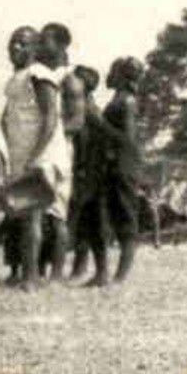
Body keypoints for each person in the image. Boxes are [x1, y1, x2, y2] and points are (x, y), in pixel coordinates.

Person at [0, 26, 67, 291]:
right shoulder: (15, 79)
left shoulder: (40, 74)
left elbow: (51, 116)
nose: (16, 48)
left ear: (36, 49)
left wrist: (36, 156)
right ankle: (29, 272)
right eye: (13, 43)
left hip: (42, 154)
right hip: (23, 154)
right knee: (27, 214)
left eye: (23, 43)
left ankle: (32, 277)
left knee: (34, 214)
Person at [89, 57, 144, 285]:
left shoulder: (127, 101)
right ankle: (102, 274)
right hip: (110, 164)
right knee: (100, 217)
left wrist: (98, 123)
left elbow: (127, 140)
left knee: (125, 218)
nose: (108, 75)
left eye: (113, 71)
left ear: (122, 75)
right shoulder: (118, 99)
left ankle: (120, 277)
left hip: (123, 166)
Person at [39, 23, 83, 278]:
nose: (40, 46)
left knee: (56, 214)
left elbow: (76, 122)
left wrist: (52, 137)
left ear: (62, 46)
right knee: (40, 213)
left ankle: (56, 272)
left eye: (46, 41)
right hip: (46, 150)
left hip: (60, 153)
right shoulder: (42, 75)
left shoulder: (69, 80)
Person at [68, 64, 102, 282]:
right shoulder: (85, 108)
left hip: (86, 172)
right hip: (83, 170)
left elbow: (89, 144)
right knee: (80, 220)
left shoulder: (89, 111)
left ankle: (80, 267)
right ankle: (78, 267)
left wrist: (82, 169)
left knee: (83, 221)